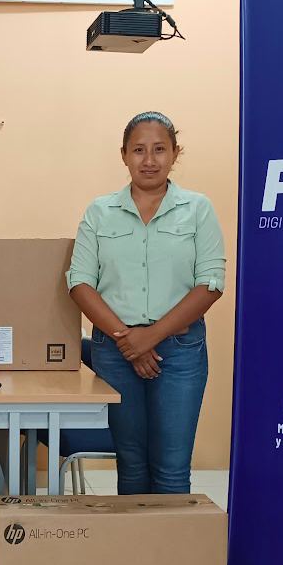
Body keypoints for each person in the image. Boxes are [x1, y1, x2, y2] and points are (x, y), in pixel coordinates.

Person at [67, 112, 225, 495]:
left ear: (175, 153)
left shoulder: (198, 208)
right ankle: (135, 538)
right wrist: (128, 340)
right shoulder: (100, 211)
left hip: (180, 352)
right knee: (131, 463)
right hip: (115, 351)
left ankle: (167, 539)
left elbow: (211, 284)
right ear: (124, 155)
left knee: (171, 468)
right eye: (138, 150)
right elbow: (79, 282)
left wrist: (148, 338)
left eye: (159, 150)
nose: (149, 160)